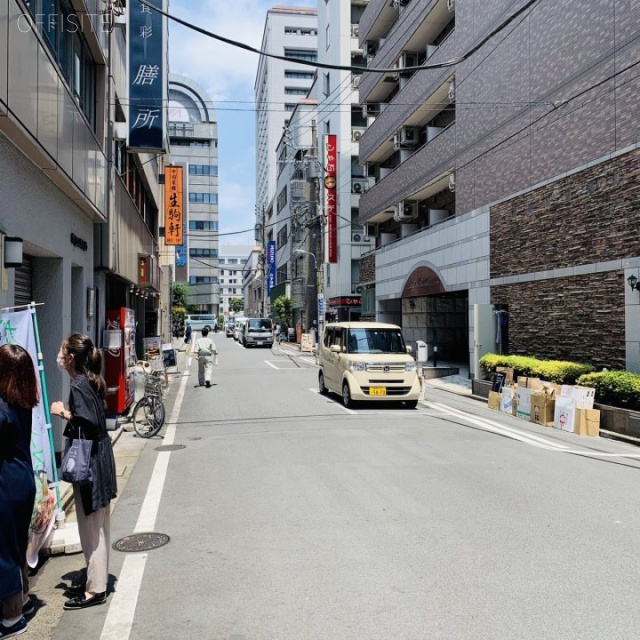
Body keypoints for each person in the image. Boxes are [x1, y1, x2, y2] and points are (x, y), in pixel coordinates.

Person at [50, 334, 117, 611]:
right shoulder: (90, 380)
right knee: (99, 524)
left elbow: (87, 423)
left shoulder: (78, 384)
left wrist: (63, 413)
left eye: (62, 350)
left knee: (91, 528)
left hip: (90, 462)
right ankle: (96, 579)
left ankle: (95, 589)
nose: (59, 355)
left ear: (71, 358)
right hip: (100, 457)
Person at [0, 344, 39, 638]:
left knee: (4, 552)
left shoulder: (3, 408)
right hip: (24, 482)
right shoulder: (23, 401)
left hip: (6, 485)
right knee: (16, 545)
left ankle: (12, 619)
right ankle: (23, 600)